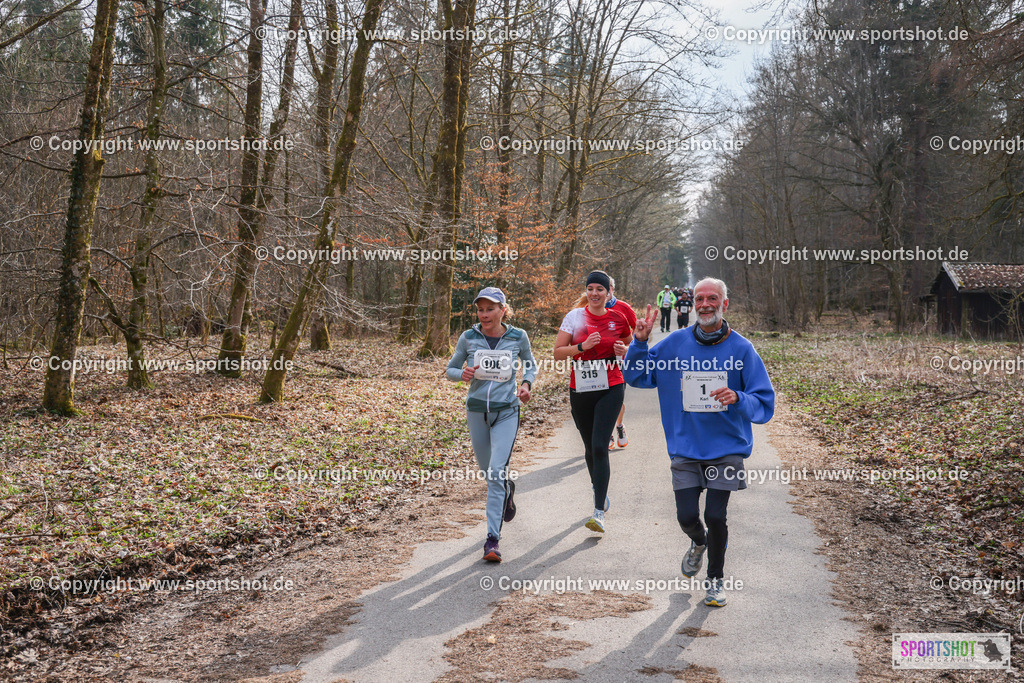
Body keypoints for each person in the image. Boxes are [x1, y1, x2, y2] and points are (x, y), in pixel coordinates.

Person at [623, 277, 775, 606]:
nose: (705, 304)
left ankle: (716, 580)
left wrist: (738, 397)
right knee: (687, 516)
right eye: (699, 299)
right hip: (686, 449)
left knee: (717, 516)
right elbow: (637, 377)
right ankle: (698, 542)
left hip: (727, 449)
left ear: (725, 304)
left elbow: (764, 405)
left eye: (712, 298)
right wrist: (639, 344)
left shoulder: (742, 349)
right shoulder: (674, 344)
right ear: (693, 304)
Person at [446, 287, 538, 562]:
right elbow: (450, 369)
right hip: (476, 412)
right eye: (480, 309)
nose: (484, 314)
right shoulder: (469, 337)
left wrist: (525, 384)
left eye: (490, 309)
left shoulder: (518, 336)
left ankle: (492, 541)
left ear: (503, 310)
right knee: (490, 474)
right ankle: (507, 489)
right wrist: (462, 373)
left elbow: (531, 365)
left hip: (507, 411)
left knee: (496, 472)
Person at [555, 270, 632, 533]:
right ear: (586, 291)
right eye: (590, 289)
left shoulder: (618, 317)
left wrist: (623, 350)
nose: (595, 293)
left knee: (600, 446)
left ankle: (598, 511)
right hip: (581, 388)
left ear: (609, 293)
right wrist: (582, 347)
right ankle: (599, 488)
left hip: (611, 384)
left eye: (600, 289)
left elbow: (628, 342)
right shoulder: (574, 317)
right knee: (589, 447)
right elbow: (556, 354)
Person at [605, 277, 636, 450]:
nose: (604, 290)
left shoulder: (623, 308)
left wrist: (626, 349)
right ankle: (607, 431)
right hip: (596, 363)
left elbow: (638, 336)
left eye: (607, 287)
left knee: (616, 399)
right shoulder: (585, 308)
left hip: (619, 362)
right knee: (600, 398)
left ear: (613, 289)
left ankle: (618, 426)